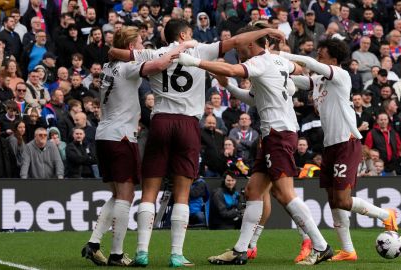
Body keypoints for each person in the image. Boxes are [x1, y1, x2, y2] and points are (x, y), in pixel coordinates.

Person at [109, 19, 287, 267]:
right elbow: (236, 41)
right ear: (183, 35)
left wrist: (113, 47)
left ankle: (141, 252)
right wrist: (267, 31)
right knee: (182, 193)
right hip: (188, 125)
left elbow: (120, 53)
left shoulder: (154, 53)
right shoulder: (201, 49)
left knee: (150, 192)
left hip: (160, 122)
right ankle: (176, 255)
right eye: (190, 33)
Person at [178, 25, 332, 266]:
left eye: (240, 45)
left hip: (279, 134)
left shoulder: (261, 62)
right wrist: (227, 86)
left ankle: (321, 246)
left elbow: (230, 69)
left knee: (284, 193)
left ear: (252, 44)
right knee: (253, 191)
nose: (237, 49)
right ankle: (241, 250)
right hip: (276, 134)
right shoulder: (278, 63)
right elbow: (255, 95)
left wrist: (194, 63)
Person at [81, 26, 191, 267]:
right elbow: (159, 66)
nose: (143, 48)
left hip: (104, 135)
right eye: (140, 44)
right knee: (126, 196)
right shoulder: (128, 66)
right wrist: (180, 48)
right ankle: (117, 254)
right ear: (130, 47)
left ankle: (93, 243)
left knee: (117, 194)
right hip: (121, 137)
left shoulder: (109, 66)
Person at [282, 39, 398, 263]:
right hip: (330, 146)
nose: (318, 58)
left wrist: (277, 54)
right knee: (333, 199)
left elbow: (307, 62)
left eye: (322, 55)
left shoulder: (341, 75)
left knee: (343, 200)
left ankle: (386, 215)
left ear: (333, 60)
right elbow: (293, 79)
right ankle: (348, 250)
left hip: (347, 142)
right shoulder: (318, 81)